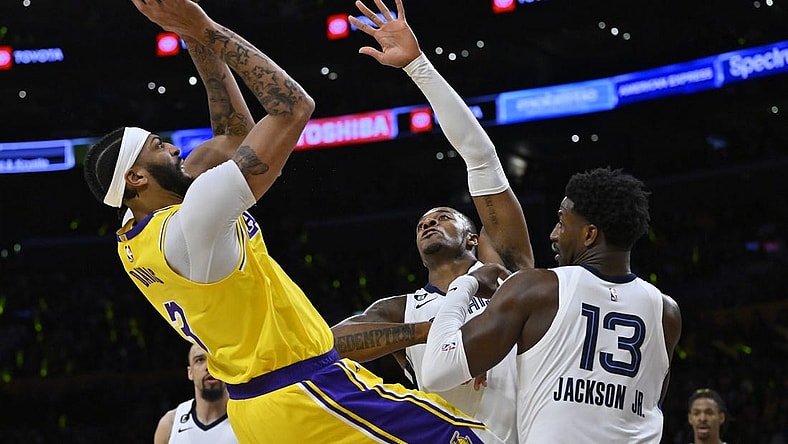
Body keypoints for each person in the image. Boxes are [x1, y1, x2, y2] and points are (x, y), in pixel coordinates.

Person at [83, 1, 506, 442]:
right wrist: (206, 27)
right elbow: (292, 107)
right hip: (305, 390)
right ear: (136, 178)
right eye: (158, 147)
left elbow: (233, 139)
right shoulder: (195, 218)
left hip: (252, 410)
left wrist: (190, 33)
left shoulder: (136, 236)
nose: (174, 149)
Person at [331, 1, 533, 442]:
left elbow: (481, 158)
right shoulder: (400, 308)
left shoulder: (505, 272)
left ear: (473, 237)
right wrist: (429, 332)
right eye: (422, 222)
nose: (429, 223)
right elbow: (329, 344)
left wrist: (418, 66)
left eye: (444, 217)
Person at [422, 167, 683, 443]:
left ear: (589, 235)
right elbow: (649, 403)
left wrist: (465, 284)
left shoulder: (538, 289)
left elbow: (437, 371)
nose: (553, 234)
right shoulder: (667, 312)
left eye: (562, 222)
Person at [154, 344, 238, 444]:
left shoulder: (246, 420)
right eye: (200, 360)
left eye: (215, 359)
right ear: (190, 373)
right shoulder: (170, 423)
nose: (209, 367)